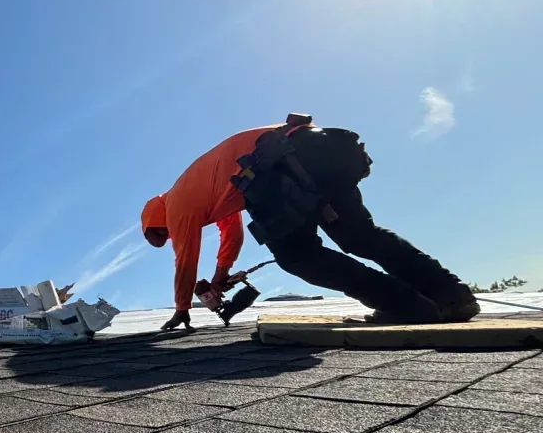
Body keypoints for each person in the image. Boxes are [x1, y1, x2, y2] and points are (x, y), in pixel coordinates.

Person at [141, 115, 479, 331]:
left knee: (299, 255)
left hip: (273, 165)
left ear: (158, 218)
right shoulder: (205, 191)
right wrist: (219, 278)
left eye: (163, 234)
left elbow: (185, 259)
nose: (170, 235)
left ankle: (407, 306)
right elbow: (232, 233)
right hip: (314, 149)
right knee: (358, 236)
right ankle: (451, 295)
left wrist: (182, 307)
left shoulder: (177, 203)